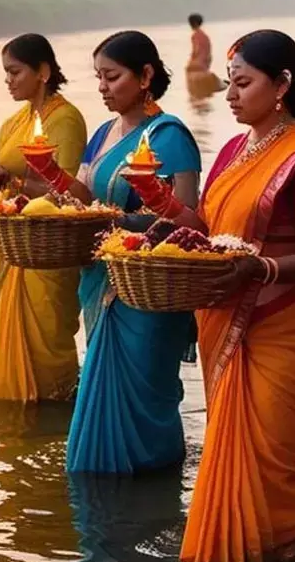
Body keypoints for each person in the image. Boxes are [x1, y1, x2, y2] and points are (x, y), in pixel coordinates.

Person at [130, 30, 295, 562]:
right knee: (230, 447)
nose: (230, 94)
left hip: (284, 326)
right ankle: (231, 559)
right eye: (229, 83)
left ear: (281, 85)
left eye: (243, 83)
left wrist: (260, 267)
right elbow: (211, 228)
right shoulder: (236, 150)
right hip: (229, 320)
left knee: (275, 460)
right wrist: (157, 201)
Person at [25, 30, 201, 474]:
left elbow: (185, 218)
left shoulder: (170, 136)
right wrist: (51, 173)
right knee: (104, 385)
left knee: (146, 388)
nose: (102, 87)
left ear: (145, 76)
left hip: (147, 284)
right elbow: (86, 197)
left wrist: (117, 222)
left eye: (112, 76)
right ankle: (108, 478)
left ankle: (156, 479)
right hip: (101, 276)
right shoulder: (103, 133)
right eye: (99, 77)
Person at [0, 34, 87, 402]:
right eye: (5, 74)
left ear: (43, 71)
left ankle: (55, 409)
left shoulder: (66, 119)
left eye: (15, 72)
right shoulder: (18, 120)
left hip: (47, 243)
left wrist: (16, 186)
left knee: (46, 331)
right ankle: (19, 402)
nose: (9, 81)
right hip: (13, 238)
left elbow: (68, 192)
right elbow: (5, 169)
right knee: (15, 329)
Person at [186, 13, 225, 100]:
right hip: (204, 64)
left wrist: (191, 62)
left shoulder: (195, 35)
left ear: (193, 23)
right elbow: (208, 54)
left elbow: (196, 50)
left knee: (187, 69)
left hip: (197, 64)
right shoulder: (205, 36)